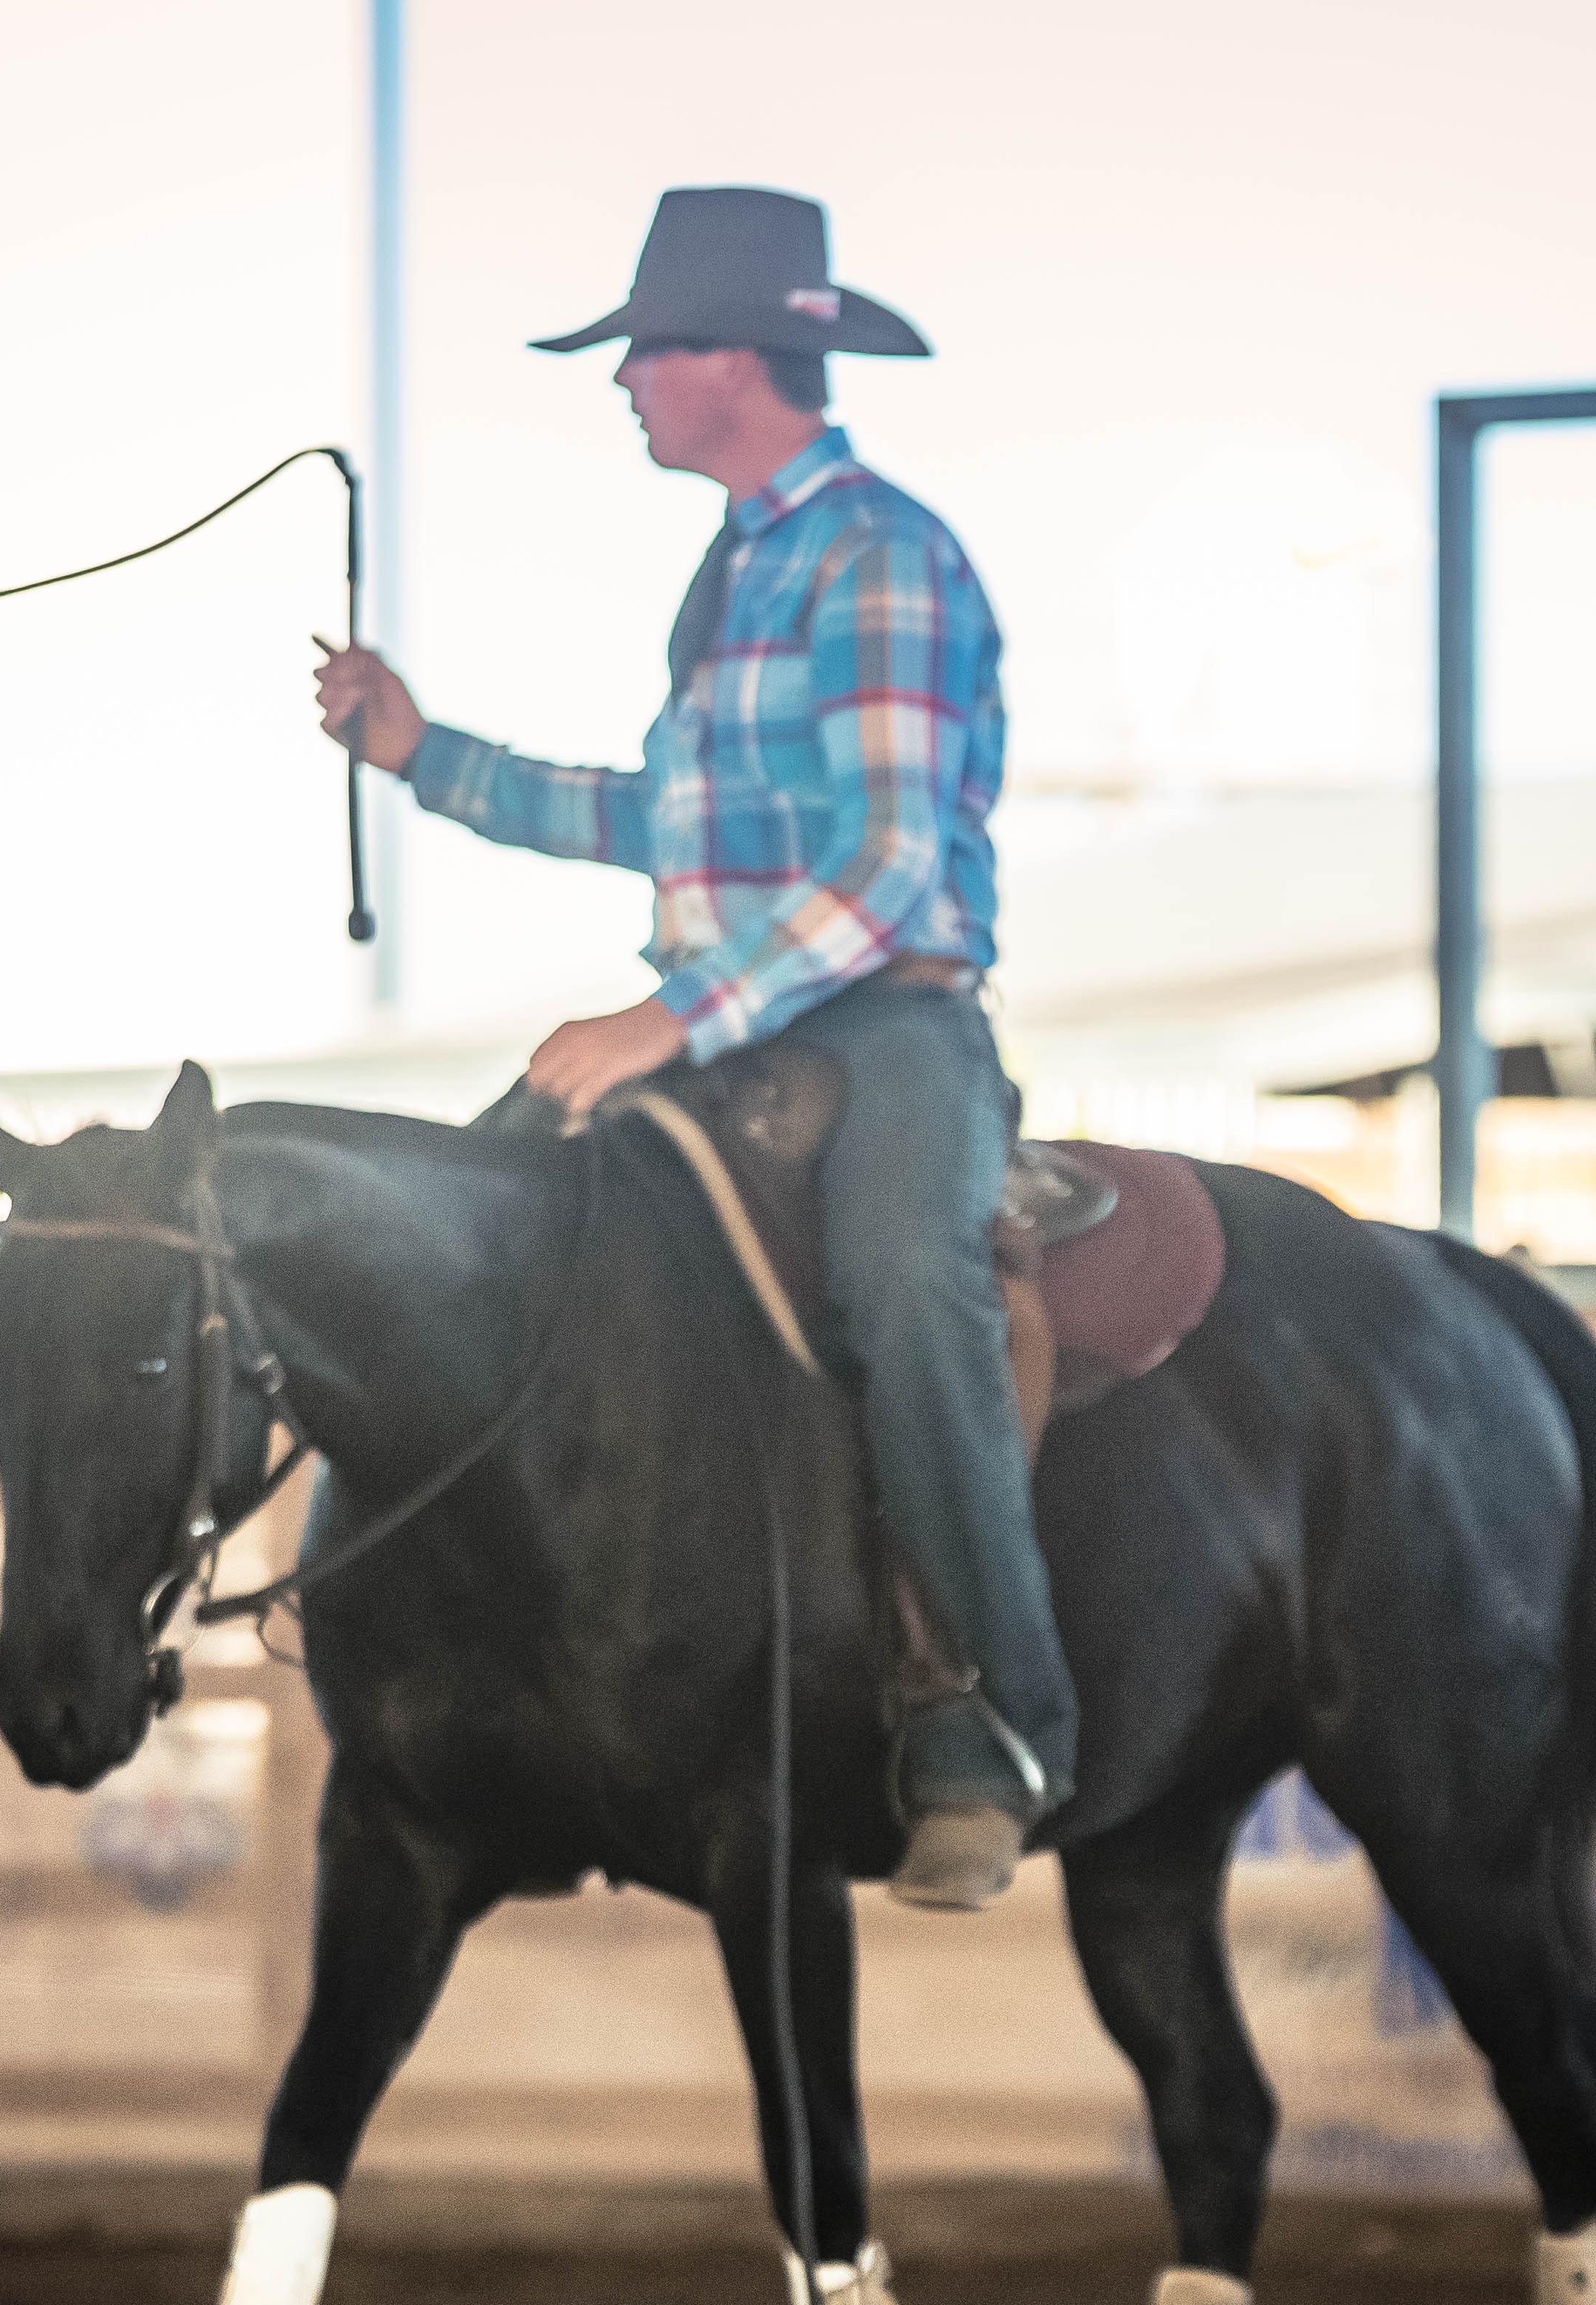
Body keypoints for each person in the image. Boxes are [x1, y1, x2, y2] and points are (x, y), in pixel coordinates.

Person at [311, 185, 1067, 1911]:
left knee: (909, 1283)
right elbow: (665, 820)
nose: (625, 380)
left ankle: (996, 1721)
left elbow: (892, 865)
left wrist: (673, 1014)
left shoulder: (879, 556)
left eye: (646, 350)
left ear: (736, 360)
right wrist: (424, 754)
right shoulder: (741, 572)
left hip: (887, 1024)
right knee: (482, 1219)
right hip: (732, 1014)